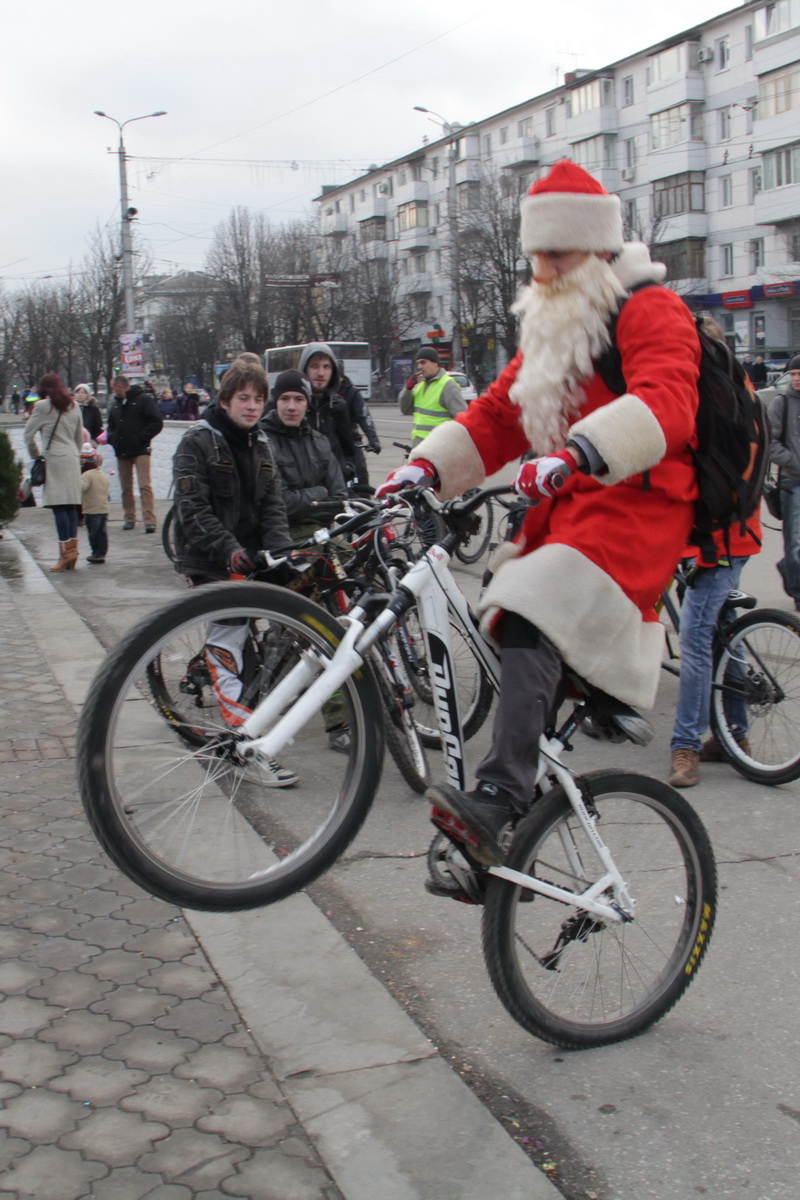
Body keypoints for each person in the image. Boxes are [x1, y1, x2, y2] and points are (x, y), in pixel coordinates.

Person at [379, 159, 702, 870]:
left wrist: (585, 446)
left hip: (641, 505)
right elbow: (502, 413)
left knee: (528, 606)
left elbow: (671, 400)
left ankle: (500, 794)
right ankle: (507, 827)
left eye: (558, 253)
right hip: (574, 504)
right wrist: (423, 468)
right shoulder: (557, 319)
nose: (545, 269)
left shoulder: (650, 307)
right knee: (505, 613)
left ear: (597, 248)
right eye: (538, 256)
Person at [172, 359, 297, 787]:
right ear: (225, 401)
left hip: (252, 554)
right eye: (243, 398)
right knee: (229, 637)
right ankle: (244, 748)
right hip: (209, 558)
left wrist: (282, 549)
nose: (252, 406)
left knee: (296, 615)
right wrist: (229, 552)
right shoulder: (197, 443)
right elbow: (193, 510)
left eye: (258, 399)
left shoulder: (260, 442)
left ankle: (227, 676)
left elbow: (272, 504)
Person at [667, 320, 763, 788]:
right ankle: (734, 735)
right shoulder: (742, 389)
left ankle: (685, 745)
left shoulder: (717, 399)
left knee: (696, 637)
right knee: (726, 631)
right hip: (735, 533)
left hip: (717, 539)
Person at [262, 369, 351, 753]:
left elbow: (339, 494)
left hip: (329, 532)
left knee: (374, 592)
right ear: (276, 402)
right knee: (324, 622)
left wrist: (311, 498)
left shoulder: (319, 441)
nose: (293, 406)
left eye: (299, 399)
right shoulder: (264, 441)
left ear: (307, 402)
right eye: (285, 399)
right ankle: (340, 720)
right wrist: (316, 497)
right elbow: (277, 501)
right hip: (287, 538)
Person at [24, 373, 84, 571]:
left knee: (59, 507)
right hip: (72, 459)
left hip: (55, 460)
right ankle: (73, 552)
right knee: (71, 506)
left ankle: (64, 554)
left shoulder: (42, 406)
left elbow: (28, 434)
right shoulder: (74, 405)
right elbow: (79, 437)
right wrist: (74, 454)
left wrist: (36, 455)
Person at [106, 374, 163, 533]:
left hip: (140, 449)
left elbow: (156, 422)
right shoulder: (116, 404)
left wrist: (141, 438)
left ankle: (149, 519)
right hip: (122, 449)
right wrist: (113, 438)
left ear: (120, 386)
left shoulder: (143, 400)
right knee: (126, 486)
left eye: (113, 387)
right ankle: (129, 517)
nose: (112, 390)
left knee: (144, 484)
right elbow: (111, 425)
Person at [768, 354, 800, 609]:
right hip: (793, 482)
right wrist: (793, 461)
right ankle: (798, 593)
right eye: (794, 375)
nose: (797, 379)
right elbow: (770, 443)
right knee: (795, 540)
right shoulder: (782, 403)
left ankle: (788, 568)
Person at [298, 343, 357, 474]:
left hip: (335, 486)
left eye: (326, 367)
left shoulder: (338, 406)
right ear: (305, 369)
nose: (321, 373)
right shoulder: (294, 406)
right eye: (314, 366)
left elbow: (348, 448)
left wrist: (347, 468)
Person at [398, 347, 467, 448]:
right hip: (419, 446)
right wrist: (408, 389)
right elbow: (405, 410)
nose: (419, 367)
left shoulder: (447, 385)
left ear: (435, 363)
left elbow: (463, 419)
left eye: (423, 362)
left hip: (439, 448)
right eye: (418, 363)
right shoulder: (420, 385)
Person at [335, 372, 381, 487]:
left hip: (351, 441)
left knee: (360, 470)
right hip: (329, 441)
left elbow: (364, 417)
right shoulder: (322, 394)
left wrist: (373, 440)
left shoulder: (353, 393)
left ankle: (364, 497)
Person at [79, 443, 110, 565]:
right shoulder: (102, 475)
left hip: (91, 510)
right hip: (103, 509)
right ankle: (102, 552)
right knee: (102, 532)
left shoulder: (86, 475)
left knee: (93, 533)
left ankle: (96, 552)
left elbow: (81, 487)